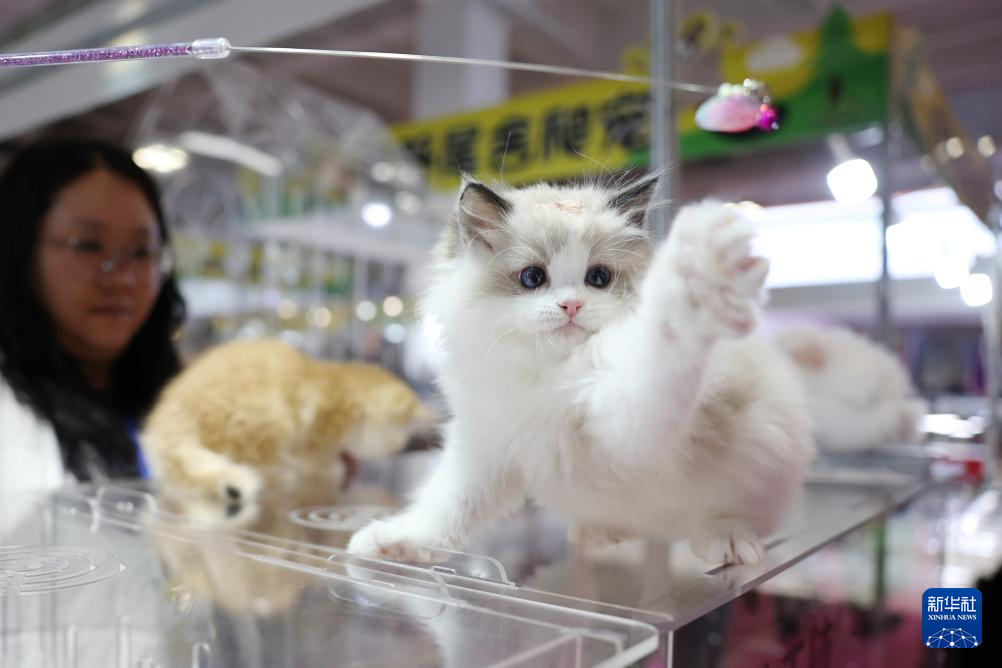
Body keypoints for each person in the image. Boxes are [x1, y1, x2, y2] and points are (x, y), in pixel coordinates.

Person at [0, 137, 185, 491]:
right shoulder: (10, 413)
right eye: (88, 246)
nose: (122, 278)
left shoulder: (169, 395)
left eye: (141, 251)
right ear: (20, 250)